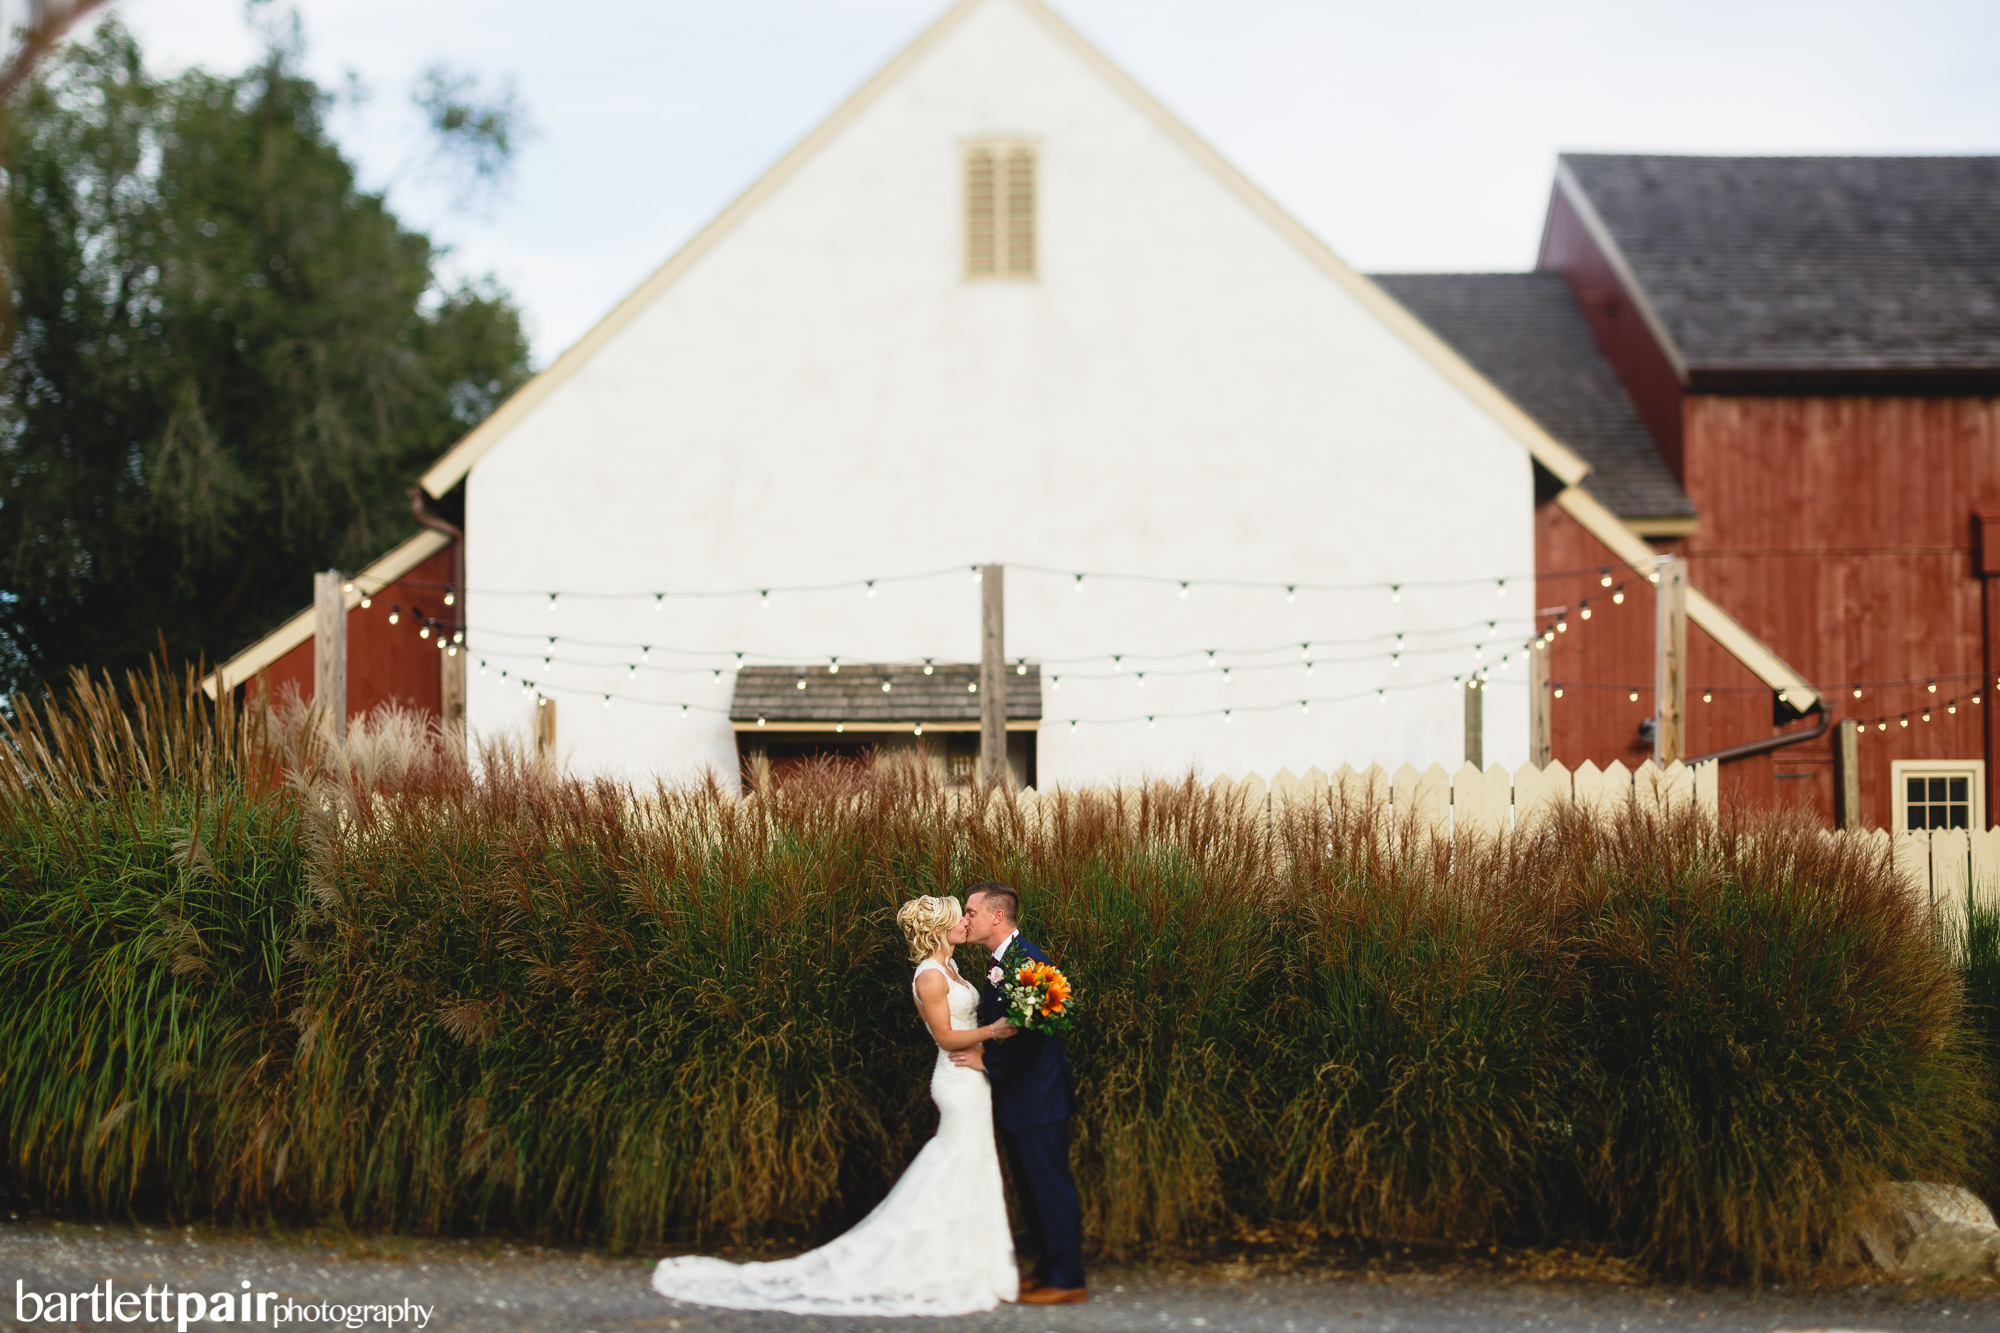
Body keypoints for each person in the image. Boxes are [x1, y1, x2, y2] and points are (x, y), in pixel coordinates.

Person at [650, 895, 1020, 1317]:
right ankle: (937, 1261)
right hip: (956, 1076)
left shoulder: (952, 967)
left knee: (972, 1163)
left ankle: (968, 1262)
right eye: (960, 919)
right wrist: (995, 1030)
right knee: (959, 1160)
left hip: (973, 1077)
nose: (966, 924)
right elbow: (945, 1038)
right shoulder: (930, 976)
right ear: (940, 929)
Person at [959, 880, 1088, 1305]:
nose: (966, 919)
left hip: (1039, 1095)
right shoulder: (1004, 960)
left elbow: (1035, 1031)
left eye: (972, 912)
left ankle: (1067, 1279)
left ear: (997, 917)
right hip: (1022, 1096)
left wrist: (988, 1062)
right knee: (1032, 1188)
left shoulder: (1028, 960)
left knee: (1049, 1185)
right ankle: (1048, 1270)